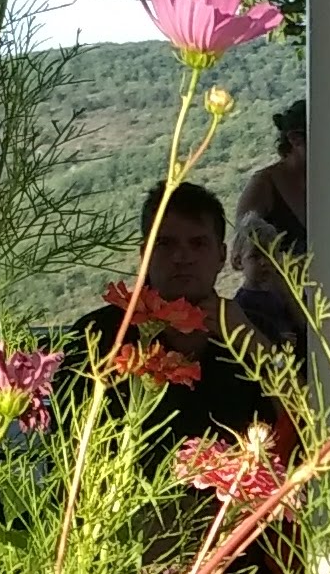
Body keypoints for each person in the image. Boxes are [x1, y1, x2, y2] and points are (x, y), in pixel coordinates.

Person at [76, 180, 294, 465]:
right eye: (165, 244)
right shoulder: (98, 336)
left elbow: (304, 416)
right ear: (145, 255)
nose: (182, 257)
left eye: (198, 244)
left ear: (221, 256)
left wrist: (252, 342)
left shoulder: (255, 330)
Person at [231, 100, 314, 363]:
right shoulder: (264, 186)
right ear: (295, 139)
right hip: (275, 315)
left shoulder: (329, 184)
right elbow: (243, 247)